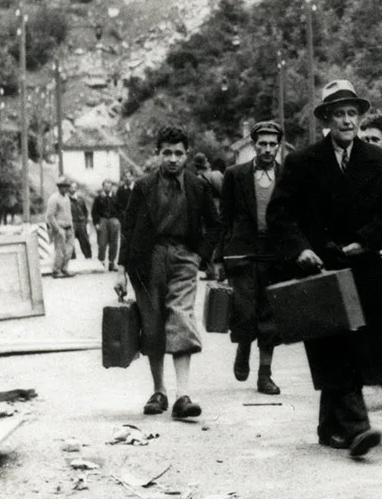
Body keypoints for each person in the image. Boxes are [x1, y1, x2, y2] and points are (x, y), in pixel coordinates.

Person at [268, 80, 382, 458]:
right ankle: (358, 427)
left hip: (362, 265)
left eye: (352, 114)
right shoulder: (302, 162)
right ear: (326, 119)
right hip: (321, 269)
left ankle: (330, 427)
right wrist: (301, 250)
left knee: (357, 344)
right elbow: (280, 214)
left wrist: (366, 239)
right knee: (332, 344)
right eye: (338, 114)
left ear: (360, 118)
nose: (346, 121)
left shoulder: (380, 161)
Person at [116, 125, 221, 421]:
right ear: (158, 154)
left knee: (181, 318)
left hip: (183, 259)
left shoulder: (198, 186)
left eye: (178, 153)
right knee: (152, 325)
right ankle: (158, 391)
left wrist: (200, 255)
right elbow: (129, 228)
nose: (173, 159)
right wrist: (121, 270)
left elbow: (215, 225)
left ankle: (183, 396)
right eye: (167, 153)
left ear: (186, 154)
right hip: (146, 261)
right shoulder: (144, 186)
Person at [215, 121, 284, 396]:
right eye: (262, 144)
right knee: (244, 312)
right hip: (242, 253)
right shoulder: (235, 175)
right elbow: (225, 218)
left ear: (278, 146)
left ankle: (265, 375)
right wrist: (219, 257)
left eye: (272, 144)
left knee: (270, 316)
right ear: (253, 144)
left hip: (274, 255)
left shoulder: (287, 175)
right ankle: (243, 349)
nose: (267, 149)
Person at [45, 177, 76, 278]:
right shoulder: (54, 198)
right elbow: (50, 216)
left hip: (69, 227)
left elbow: (69, 213)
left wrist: (71, 225)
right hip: (60, 228)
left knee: (69, 250)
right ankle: (56, 270)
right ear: (60, 187)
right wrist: (57, 229)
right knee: (60, 251)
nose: (67, 189)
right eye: (65, 187)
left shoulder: (66, 198)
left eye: (68, 187)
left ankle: (64, 268)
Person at [92, 179, 122, 270]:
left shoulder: (115, 197)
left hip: (113, 220)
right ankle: (101, 262)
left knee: (114, 242)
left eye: (110, 186)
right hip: (103, 220)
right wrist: (96, 223)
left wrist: (118, 219)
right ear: (103, 187)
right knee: (102, 242)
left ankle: (111, 263)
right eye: (106, 186)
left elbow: (120, 209)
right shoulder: (98, 198)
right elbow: (94, 212)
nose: (108, 188)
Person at [69, 182, 93, 260]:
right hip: (72, 222)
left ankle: (88, 257)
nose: (73, 189)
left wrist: (85, 221)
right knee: (70, 242)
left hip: (81, 222)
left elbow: (85, 211)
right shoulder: (66, 199)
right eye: (71, 187)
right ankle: (72, 259)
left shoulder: (80, 199)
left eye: (74, 187)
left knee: (85, 241)